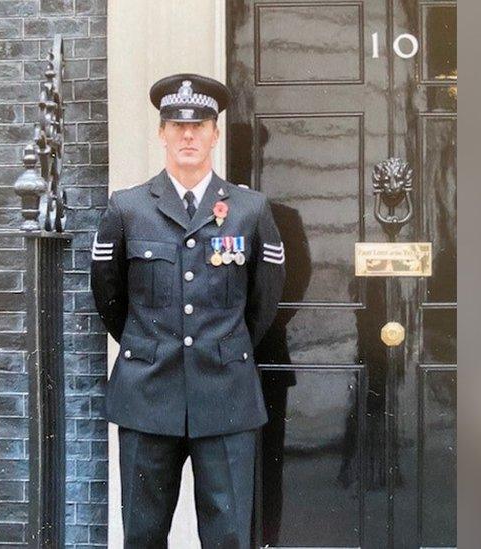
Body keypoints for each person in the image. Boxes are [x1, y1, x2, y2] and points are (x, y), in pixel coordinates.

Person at [90, 73, 286, 548]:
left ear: (216, 133)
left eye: (199, 126)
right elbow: (110, 299)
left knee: (228, 536)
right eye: (177, 126)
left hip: (225, 396)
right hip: (147, 395)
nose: (188, 135)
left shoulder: (249, 210)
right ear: (161, 133)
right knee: (143, 534)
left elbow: (262, 304)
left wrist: (223, 347)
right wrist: (151, 345)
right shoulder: (128, 209)